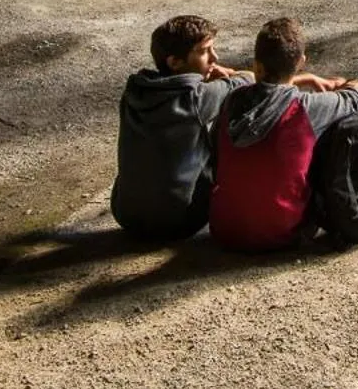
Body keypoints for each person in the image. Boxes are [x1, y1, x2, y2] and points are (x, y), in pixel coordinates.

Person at [109, 15, 338, 241]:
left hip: (125, 213)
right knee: (224, 135)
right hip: (178, 222)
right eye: (204, 51)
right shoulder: (196, 99)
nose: (214, 58)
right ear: (174, 62)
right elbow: (248, 79)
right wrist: (294, 79)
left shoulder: (134, 92)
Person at [208, 17, 358, 251]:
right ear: (301, 62)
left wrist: (301, 79)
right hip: (285, 234)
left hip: (225, 229)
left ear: (257, 64)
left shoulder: (231, 101)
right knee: (325, 134)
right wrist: (342, 84)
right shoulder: (306, 107)